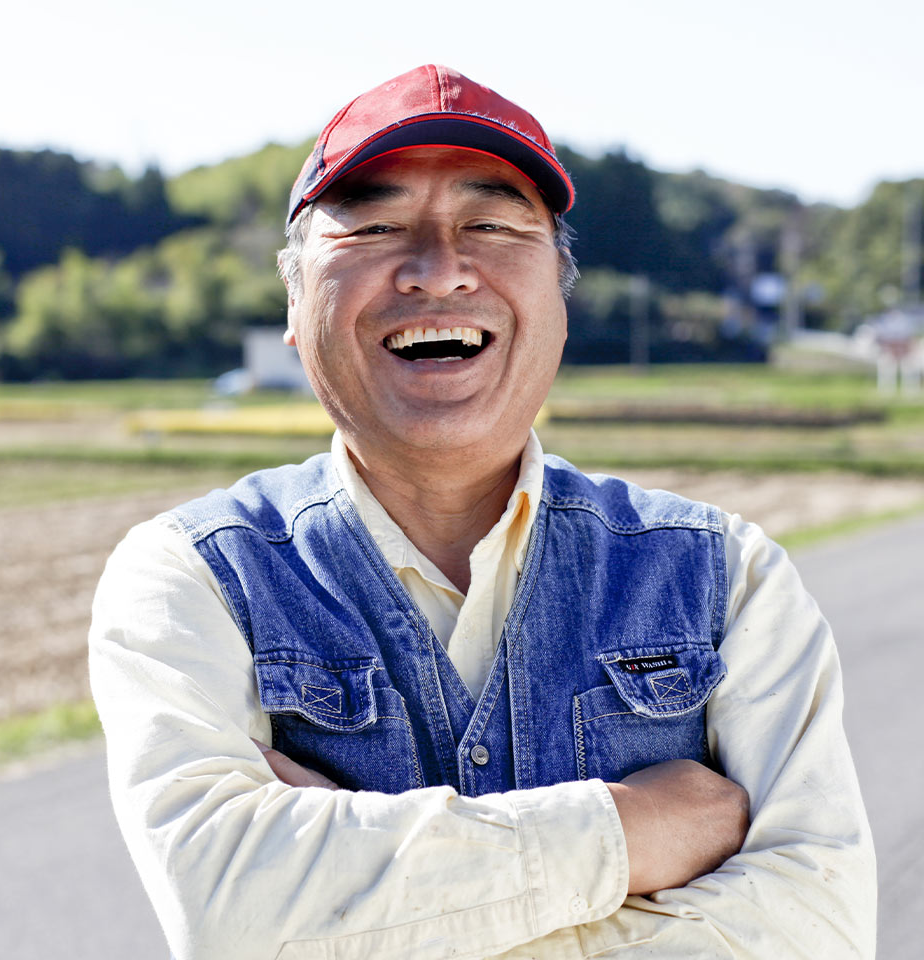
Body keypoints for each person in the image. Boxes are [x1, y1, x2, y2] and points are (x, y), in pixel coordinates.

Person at [89, 64, 875, 959]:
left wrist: (350, 909)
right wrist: (630, 834)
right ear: (296, 306)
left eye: (493, 225)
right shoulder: (192, 575)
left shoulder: (728, 576)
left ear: (559, 302)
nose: (439, 271)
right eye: (377, 226)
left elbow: (818, 930)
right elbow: (226, 914)